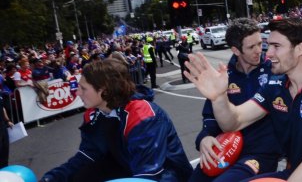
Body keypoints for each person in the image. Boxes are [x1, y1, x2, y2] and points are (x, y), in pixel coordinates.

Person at [186, 10, 302, 182]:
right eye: (268, 45)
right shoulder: (276, 85)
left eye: (276, 46)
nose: (267, 53)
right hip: (294, 173)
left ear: (300, 49)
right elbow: (233, 122)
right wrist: (219, 97)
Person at [40, 55, 192, 182]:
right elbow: (87, 155)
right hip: (129, 168)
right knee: (80, 175)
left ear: (104, 90)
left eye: (83, 88)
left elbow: (149, 174)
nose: (77, 93)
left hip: (166, 176)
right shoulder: (94, 114)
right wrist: (51, 178)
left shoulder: (142, 114)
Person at [0, 91, 14, 168]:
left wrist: (7, 120)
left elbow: (2, 108)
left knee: (5, 150)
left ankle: (5, 171)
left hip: (2, 126)